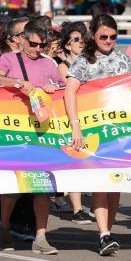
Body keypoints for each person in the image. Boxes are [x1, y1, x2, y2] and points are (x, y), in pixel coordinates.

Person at [0, 19, 64, 254]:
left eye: (42, 45)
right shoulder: (10, 59)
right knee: (15, 185)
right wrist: (17, 82)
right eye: (33, 44)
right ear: (22, 40)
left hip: (42, 131)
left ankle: (40, 236)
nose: (37, 49)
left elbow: (63, 88)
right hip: (17, 132)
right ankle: (4, 226)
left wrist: (54, 88)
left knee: (42, 186)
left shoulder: (48, 64)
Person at [65, 14, 131, 256]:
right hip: (94, 131)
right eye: (103, 36)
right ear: (93, 36)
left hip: (120, 131)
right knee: (100, 183)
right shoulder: (84, 60)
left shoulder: (125, 59)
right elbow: (69, 92)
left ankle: (108, 232)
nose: (108, 40)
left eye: (113, 36)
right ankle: (104, 233)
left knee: (114, 185)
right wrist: (76, 126)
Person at [52, 21, 90, 224]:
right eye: (76, 40)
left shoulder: (89, 62)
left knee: (86, 160)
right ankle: (77, 208)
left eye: (82, 39)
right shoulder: (62, 66)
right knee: (75, 158)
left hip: (89, 112)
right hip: (69, 115)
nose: (80, 42)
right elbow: (68, 90)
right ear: (67, 45)